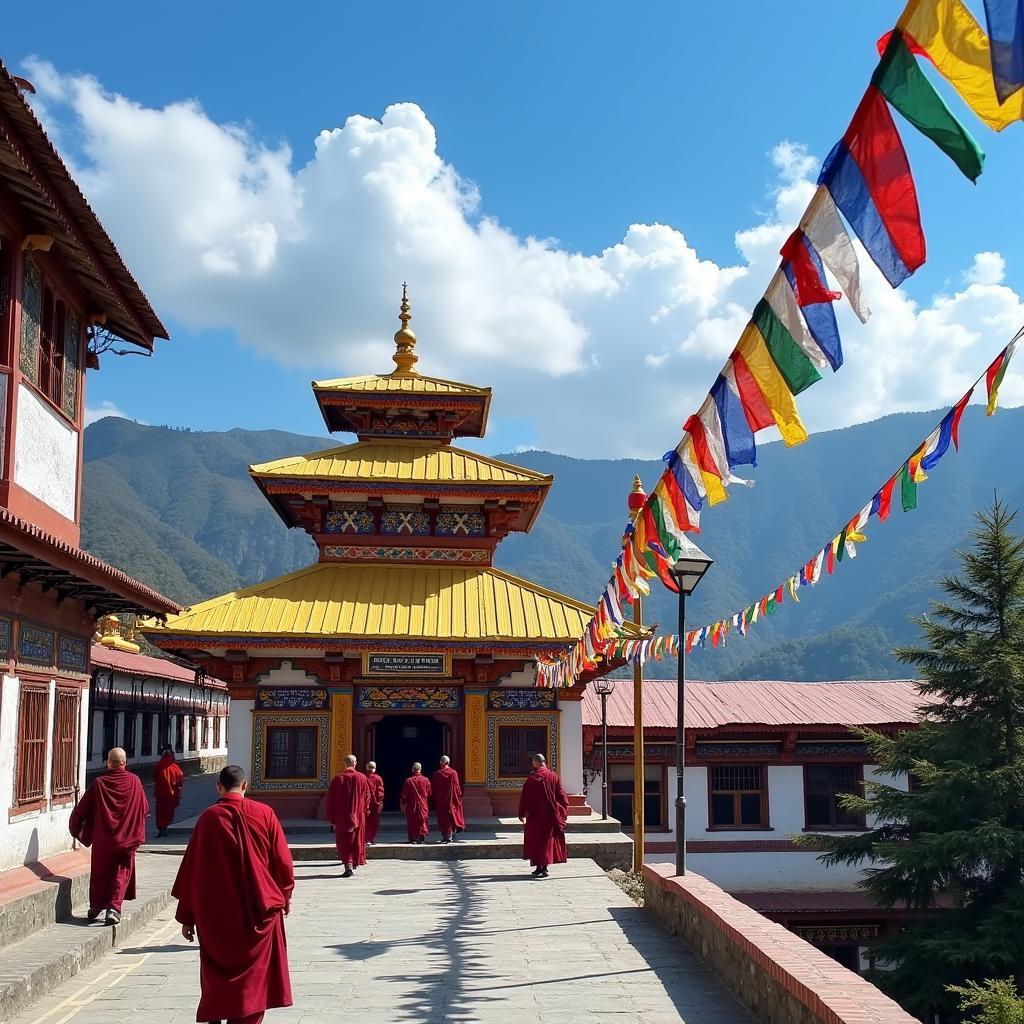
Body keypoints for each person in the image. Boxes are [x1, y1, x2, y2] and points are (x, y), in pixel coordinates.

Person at [172, 764, 294, 1024]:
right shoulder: (265, 813)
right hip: (258, 915)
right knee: (255, 983)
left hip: (218, 918)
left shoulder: (208, 818)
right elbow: (283, 862)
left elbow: (193, 870)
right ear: (245, 786)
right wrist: (285, 895)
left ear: (219, 786)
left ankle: (219, 1013)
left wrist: (187, 917)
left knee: (218, 979)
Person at [69, 746, 148, 925]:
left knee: (100, 874)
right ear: (125, 763)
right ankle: (113, 908)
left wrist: (75, 828)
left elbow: (81, 810)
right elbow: (144, 808)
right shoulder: (134, 781)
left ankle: (97, 905)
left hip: (103, 839)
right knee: (121, 873)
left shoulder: (99, 784)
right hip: (127, 838)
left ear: (108, 763)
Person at [518, 753, 569, 879]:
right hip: (549, 816)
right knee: (547, 841)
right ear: (544, 762)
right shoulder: (553, 776)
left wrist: (521, 813)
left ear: (535, 763)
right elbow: (562, 796)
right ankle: (544, 867)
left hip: (535, 817)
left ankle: (539, 867)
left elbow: (525, 798)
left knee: (536, 841)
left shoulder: (531, 779)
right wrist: (562, 811)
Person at [325, 754, 369, 877]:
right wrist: (364, 811)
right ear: (355, 763)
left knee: (344, 841)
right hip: (358, 817)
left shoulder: (337, 779)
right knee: (355, 841)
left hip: (342, 817)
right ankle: (353, 863)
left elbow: (331, 801)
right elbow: (367, 797)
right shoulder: (362, 778)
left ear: (345, 764)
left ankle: (347, 864)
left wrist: (332, 819)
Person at [431, 755, 465, 843]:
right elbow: (457, 788)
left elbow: (434, 788)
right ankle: (451, 834)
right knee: (451, 816)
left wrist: (434, 798)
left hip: (441, 801)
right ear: (448, 762)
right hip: (451, 800)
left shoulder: (437, 774)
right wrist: (458, 796)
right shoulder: (453, 773)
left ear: (440, 763)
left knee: (443, 818)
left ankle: (446, 835)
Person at [153, 746, 185, 837]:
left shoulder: (158, 766)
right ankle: (165, 827)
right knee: (168, 811)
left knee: (160, 812)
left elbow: (155, 778)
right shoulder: (175, 767)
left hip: (161, 794)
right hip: (171, 794)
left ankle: (160, 828)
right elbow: (179, 780)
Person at [399, 762, 431, 844]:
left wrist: (402, 805)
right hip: (423, 804)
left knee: (412, 821)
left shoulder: (408, 781)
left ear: (413, 769)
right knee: (422, 820)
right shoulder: (426, 780)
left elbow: (404, 795)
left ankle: (413, 838)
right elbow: (429, 793)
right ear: (420, 769)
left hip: (411, 805)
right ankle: (421, 838)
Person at [364, 761, 385, 846]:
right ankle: (372, 839)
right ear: (375, 768)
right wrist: (379, 801)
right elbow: (381, 792)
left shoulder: (363, 778)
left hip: (365, 804)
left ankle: (365, 839)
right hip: (375, 804)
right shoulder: (378, 778)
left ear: (367, 768)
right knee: (374, 822)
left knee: (365, 822)